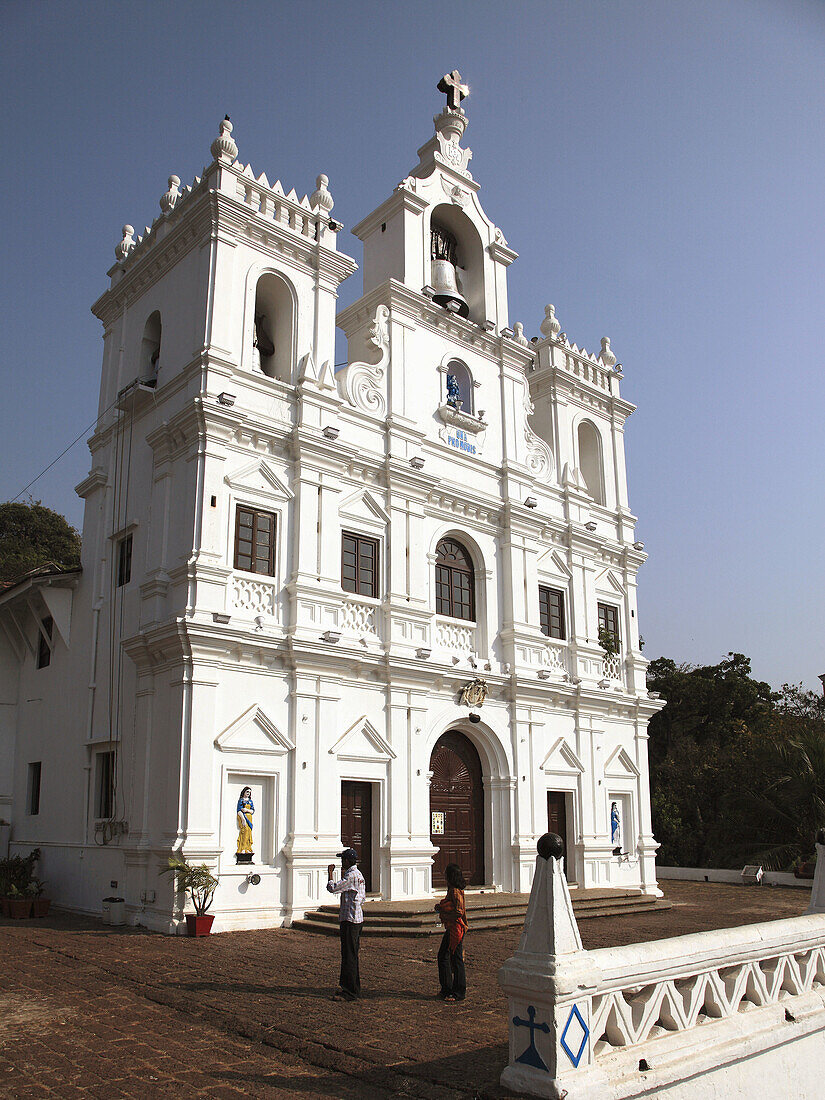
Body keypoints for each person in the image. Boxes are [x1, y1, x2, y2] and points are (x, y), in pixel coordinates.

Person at [326, 847, 366, 1001]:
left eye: (343, 859)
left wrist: (330, 874)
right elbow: (361, 898)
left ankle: (350, 991)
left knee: (349, 956)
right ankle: (352, 987)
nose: (341, 862)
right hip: (355, 918)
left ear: (348, 861)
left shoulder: (351, 876)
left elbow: (333, 888)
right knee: (351, 955)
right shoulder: (358, 874)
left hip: (350, 920)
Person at [434, 863, 468, 1001]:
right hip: (452, 928)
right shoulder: (454, 890)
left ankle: (457, 991)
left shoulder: (454, 891)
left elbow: (459, 911)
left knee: (453, 958)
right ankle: (447, 989)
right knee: (446, 956)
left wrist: (444, 913)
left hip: (456, 928)